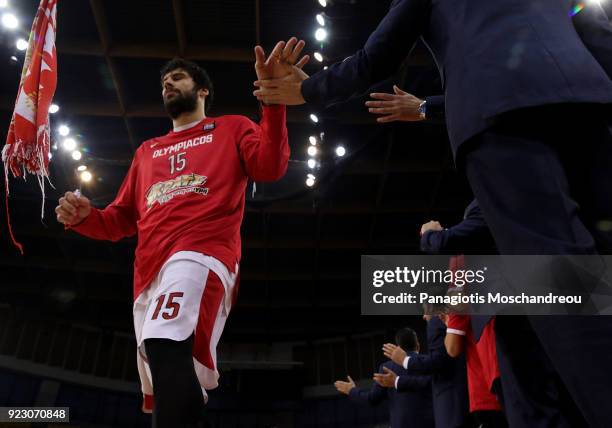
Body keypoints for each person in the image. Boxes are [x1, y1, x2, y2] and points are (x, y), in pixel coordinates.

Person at [253, 2, 612, 425]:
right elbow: (596, 31)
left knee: (562, 283)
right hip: (590, 104)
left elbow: (376, 56)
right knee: (601, 276)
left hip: (498, 118)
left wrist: (308, 90)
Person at [54, 39, 309, 428]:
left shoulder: (232, 127)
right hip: (148, 274)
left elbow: (270, 166)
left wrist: (274, 104)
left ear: (202, 89)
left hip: (202, 252)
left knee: (162, 343)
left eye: (177, 78)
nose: (167, 86)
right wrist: (82, 218)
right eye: (163, 83)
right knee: (168, 381)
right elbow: (120, 220)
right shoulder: (147, 151)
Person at [383, 312, 471, 428]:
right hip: (454, 408)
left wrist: (405, 361)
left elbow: (438, 363)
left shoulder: (435, 322)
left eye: (425, 310)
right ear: (418, 346)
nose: (424, 316)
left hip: (452, 409)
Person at [334, 328, 434, 428]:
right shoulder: (430, 363)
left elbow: (372, 399)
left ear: (398, 348)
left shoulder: (387, 368)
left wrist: (351, 390)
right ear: (418, 346)